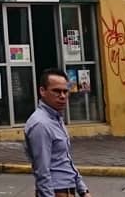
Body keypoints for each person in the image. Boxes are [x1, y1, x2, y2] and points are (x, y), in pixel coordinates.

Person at [24, 68, 91, 197]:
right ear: (42, 91)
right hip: (56, 192)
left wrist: (83, 190)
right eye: (56, 91)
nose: (62, 96)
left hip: (68, 189)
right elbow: (42, 172)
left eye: (65, 91)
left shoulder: (56, 119)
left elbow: (65, 159)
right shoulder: (41, 124)